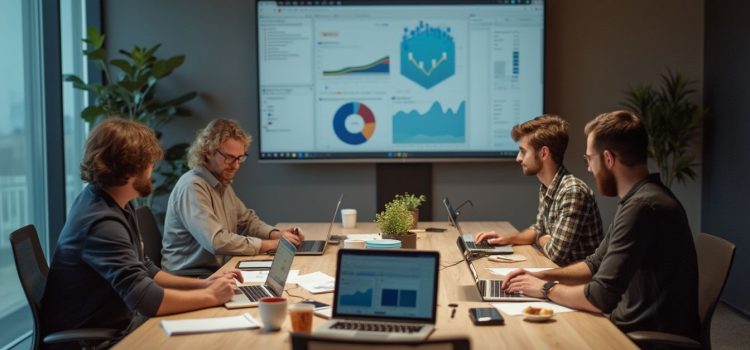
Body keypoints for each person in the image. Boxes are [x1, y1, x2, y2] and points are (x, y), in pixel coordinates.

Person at [41, 118, 241, 346]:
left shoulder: (115, 202)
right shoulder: (100, 222)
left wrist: (204, 285)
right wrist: (212, 296)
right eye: (149, 162)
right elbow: (146, 300)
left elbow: (143, 267)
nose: (152, 169)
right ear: (130, 168)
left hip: (119, 324)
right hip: (95, 340)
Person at [502, 111, 699, 339]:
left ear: (608, 159)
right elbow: (594, 264)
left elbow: (600, 297)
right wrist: (541, 276)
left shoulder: (643, 207)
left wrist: (544, 289)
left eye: (589, 159)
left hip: (641, 338)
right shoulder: (637, 200)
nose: (588, 168)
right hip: (625, 324)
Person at [161, 118, 304, 276]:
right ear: (208, 152)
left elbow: (247, 222)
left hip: (217, 273)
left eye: (240, 158)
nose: (236, 165)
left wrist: (278, 235)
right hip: (191, 280)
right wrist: (269, 244)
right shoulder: (192, 187)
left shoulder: (221, 182)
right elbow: (216, 241)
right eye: (229, 158)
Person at [475, 115, 603, 266]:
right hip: (556, 273)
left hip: (577, 283)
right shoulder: (547, 186)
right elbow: (539, 229)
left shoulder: (572, 192)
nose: (518, 158)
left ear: (543, 154)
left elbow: (556, 254)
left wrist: (539, 237)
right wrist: (508, 239)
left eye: (523, 151)